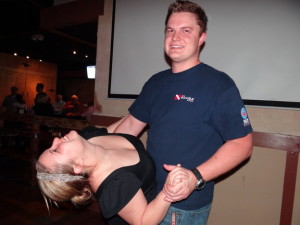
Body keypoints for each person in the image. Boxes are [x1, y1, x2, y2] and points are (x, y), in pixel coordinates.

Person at [114, 1, 253, 225]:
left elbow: (242, 144)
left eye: (186, 30)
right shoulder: (155, 82)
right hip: (144, 195)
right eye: (170, 30)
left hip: (182, 207)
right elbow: (130, 127)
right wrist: (100, 155)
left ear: (201, 38)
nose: (175, 37)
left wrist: (195, 177)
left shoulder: (220, 85)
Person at [36, 125, 187, 225]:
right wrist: (168, 192)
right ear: (77, 167)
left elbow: (128, 123)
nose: (55, 140)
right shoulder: (114, 184)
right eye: (55, 150)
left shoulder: (87, 137)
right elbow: (143, 222)